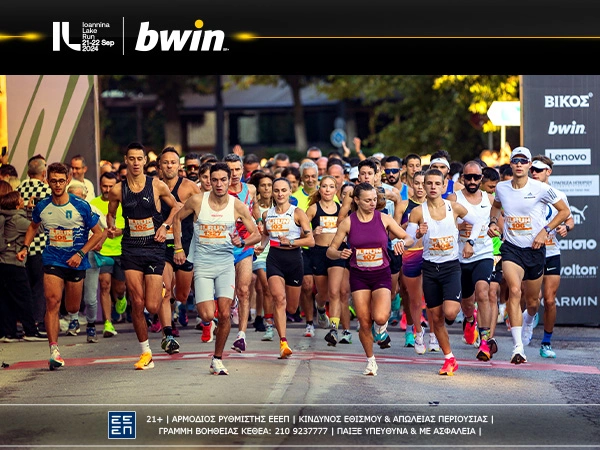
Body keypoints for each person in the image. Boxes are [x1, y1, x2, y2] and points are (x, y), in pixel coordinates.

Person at [173, 162, 260, 375]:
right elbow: (177, 218)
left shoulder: (237, 205)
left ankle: (217, 358)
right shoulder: (197, 201)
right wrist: (178, 247)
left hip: (225, 263)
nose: (219, 184)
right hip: (203, 264)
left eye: (223, 180)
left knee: (224, 314)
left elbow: (256, 234)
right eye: (215, 180)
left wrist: (242, 242)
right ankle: (218, 305)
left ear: (230, 181)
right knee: (206, 315)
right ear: (209, 181)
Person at [16, 162, 103, 370]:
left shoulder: (80, 206)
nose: (57, 185)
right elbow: (33, 227)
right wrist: (25, 247)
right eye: (53, 181)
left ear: (67, 180)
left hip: (76, 262)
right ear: (47, 180)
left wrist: (80, 253)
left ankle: (71, 315)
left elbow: (99, 233)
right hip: (52, 259)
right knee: (52, 302)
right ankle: (54, 350)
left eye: (61, 181)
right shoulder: (42, 206)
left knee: (72, 307)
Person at [487, 147, 570, 364]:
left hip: (535, 250)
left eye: (523, 161)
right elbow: (495, 207)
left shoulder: (541, 188)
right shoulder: (502, 188)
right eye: (516, 160)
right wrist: (493, 222)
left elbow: (564, 211)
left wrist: (546, 230)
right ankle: (518, 348)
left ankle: (529, 319)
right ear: (511, 163)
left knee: (533, 302)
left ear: (529, 165)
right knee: (514, 291)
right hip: (511, 248)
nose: (519, 164)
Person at [106, 142, 181, 370]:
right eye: (132, 159)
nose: (136, 163)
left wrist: (165, 227)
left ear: (145, 161)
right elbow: (111, 214)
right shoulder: (117, 190)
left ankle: (160, 290)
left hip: (154, 248)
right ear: (126, 160)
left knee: (153, 305)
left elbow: (176, 207)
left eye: (140, 159)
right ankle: (146, 352)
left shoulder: (156, 185)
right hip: (130, 248)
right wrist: (111, 226)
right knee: (137, 303)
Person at [327, 182, 413, 376]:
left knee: (381, 316)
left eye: (374, 199)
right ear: (357, 201)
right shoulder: (348, 222)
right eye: (367, 200)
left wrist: (401, 243)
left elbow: (408, 238)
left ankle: (380, 328)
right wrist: (339, 253)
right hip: (359, 276)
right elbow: (330, 250)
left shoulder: (384, 218)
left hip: (381, 273)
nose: (372, 203)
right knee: (364, 320)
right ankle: (370, 360)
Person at [406, 168, 484, 376]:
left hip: (450, 267)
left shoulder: (453, 207)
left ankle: (470, 319)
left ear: (443, 186)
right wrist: (417, 234)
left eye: (437, 183)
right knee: (436, 317)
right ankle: (449, 358)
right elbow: (408, 241)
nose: (432, 187)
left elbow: (478, 221)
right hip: (430, 268)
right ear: (423, 186)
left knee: (450, 312)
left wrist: (470, 242)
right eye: (429, 183)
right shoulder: (417, 212)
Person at [256, 177, 315, 359]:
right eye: (276, 190)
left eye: (283, 190)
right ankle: (283, 343)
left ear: (290, 192)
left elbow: (310, 241)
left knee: (291, 308)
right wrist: (261, 246)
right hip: (274, 258)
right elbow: (266, 234)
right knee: (278, 299)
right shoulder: (267, 215)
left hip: (294, 259)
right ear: (272, 193)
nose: (280, 194)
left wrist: (291, 241)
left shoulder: (297, 213)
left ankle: (289, 322)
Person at [447, 161, 497, 361]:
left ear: (481, 178)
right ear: (463, 178)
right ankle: (469, 320)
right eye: (469, 177)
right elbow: (444, 224)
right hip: (460, 256)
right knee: (467, 303)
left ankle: (485, 341)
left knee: (483, 292)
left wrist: (494, 227)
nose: (473, 181)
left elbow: (498, 222)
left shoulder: (489, 199)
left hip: (483, 253)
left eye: (476, 177)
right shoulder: (453, 198)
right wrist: (459, 227)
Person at [527, 155, 574, 358]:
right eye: (533, 170)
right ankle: (528, 320)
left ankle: (546, 342)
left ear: (549, 172)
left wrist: (566, 228)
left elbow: (570, 219)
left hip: (551, 251)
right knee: (532, 300)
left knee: (550, 300)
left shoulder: (559, 195)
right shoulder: (525, 193)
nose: (534, 173)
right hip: (530, 251)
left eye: (539, 170)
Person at [157, 147, 201, 352]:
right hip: (160, 244)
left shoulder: (189, 187)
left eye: (173, 162)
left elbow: (202, 213)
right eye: (165, 162)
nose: (169, 166)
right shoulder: (153, 186)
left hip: (185, 244)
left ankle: (176, 303)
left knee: (181, 294)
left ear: (179, 166)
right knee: (164, 291)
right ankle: (168, 335)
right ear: (160, 166)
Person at [306, 175, 352, 347]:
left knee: (335, 292)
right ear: (319, 189)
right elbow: (300, 229)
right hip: (318, 253)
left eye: (331, 186)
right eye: (324, 186)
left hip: (336, 252)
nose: (327, 189)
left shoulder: (341, 209)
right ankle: (320, 308)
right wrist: (312, 232)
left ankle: (333, 330)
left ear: (336, 190)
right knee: (323, 295)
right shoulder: (313, 209)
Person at [0, 191, 47, 342]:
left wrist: (27, 210)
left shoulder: (6, 216)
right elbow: (38, 229)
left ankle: (10, 333)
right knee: (25, 299)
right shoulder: (17, 220)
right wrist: (35, 211)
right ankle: (31, 331)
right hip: (15, 264)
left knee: (7, 300)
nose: (23, 200)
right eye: (20, 199)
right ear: (16, 204)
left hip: (3, 263)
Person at [224, 153, 258, 353]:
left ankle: (241, 335)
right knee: (227, 294)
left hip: (245, 245)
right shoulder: (218, 191)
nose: (234, 174)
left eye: (237, 169)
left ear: (243, 170)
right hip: (223, 246)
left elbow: (255, 212)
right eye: (230, 170)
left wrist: (260, 225)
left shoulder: (250, 189)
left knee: (244, 289)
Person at [66, 181, 107, 343]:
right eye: (71, 196)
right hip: (70, 254)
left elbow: (105, 228)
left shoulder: (92, 209)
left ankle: (91, 325)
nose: (74, 200)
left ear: (84, 196)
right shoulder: (64, 210)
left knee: (90, 296)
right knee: (72, 290)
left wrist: (99, 243)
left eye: (78, 197)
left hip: (89, 255)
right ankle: (74, 320)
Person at [16, 155, 53, 333]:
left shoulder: (19, 188)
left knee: (26, 286)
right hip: (41, 244)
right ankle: (38, 320)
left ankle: (26, 322)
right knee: (40, 285)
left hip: (21, 244)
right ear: (44, 172)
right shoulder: (46, 190)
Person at [90, 171, 126, 339]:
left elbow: (130, 225)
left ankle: (121, 298)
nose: (107, 189)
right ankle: (108, 323)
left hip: (121, 250)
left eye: (111, 186)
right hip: (102, 251)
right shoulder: (93, 204)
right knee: (104, 285)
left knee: (120, 287)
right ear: (100, 185)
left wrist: (120, 231)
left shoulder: (124, 202)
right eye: (105, 186)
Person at [249, 171, 275, 340]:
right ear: (257, 188)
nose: (266, 188)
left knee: (262, 288)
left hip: (275, 252)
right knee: (265, 286)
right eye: (263, 185)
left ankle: (260, 316)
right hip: (258, 252)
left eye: (269, 185)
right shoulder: (253, 207)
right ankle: (268, 323)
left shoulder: (278, 207)